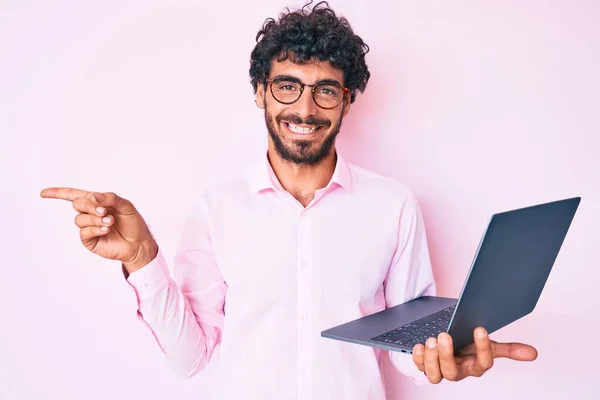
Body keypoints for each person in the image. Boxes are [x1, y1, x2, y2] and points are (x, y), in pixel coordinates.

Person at [40, 2, 538, 399]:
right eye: (287, 87)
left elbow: (405, 350)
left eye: (325, 90)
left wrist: (440, 356)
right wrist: (141, 258)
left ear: (347, 100)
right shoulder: (218, 206)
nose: (304, 108)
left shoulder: (394, 204)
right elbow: (190, 358)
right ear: (260, 92)